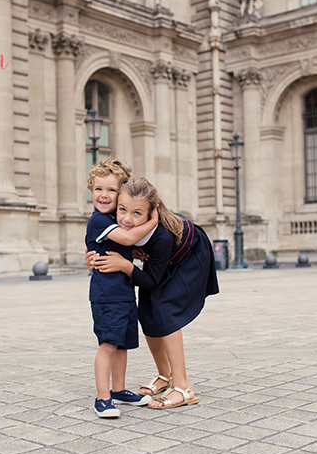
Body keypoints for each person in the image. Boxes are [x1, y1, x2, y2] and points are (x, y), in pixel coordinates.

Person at [88, 177, 219, 409]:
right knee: (147, 311)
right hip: (160, 262)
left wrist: (126, 266)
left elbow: (150, 281)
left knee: (165, 309)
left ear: (151, 213)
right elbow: (101, 242)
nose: (127, 219)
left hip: (187, 257)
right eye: (122, 210)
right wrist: (91, 259)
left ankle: (183, 387)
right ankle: (164, 375)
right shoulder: (118, 218)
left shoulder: (162, 236)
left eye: (137, 214)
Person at [86, 160, 158, 418]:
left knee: (122, 345)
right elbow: (128, 238)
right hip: (107, 296)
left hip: (124, 294)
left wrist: (133, 252)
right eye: (98, 189)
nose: (103, 195)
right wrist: (153, 219)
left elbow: (124, 244)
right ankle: (102, 398)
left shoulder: (112, 220)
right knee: (108, 344)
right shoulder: (98, 220)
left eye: (111, 190)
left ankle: (118, 389)